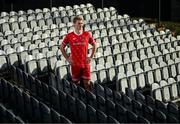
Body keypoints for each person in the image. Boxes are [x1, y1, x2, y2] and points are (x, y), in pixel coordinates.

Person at [60, 16, 97, 90]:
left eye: (82, 23)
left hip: (85, 64)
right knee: (76, 85)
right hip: (75, 64)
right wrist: (67, 58)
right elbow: (61, 47)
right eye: (79, 23)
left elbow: (95, 45)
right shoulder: (69, 36)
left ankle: (88, 99)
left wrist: (91, 57)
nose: (81, 25)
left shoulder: (87, 34)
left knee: (87, 84)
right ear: (74, 24)